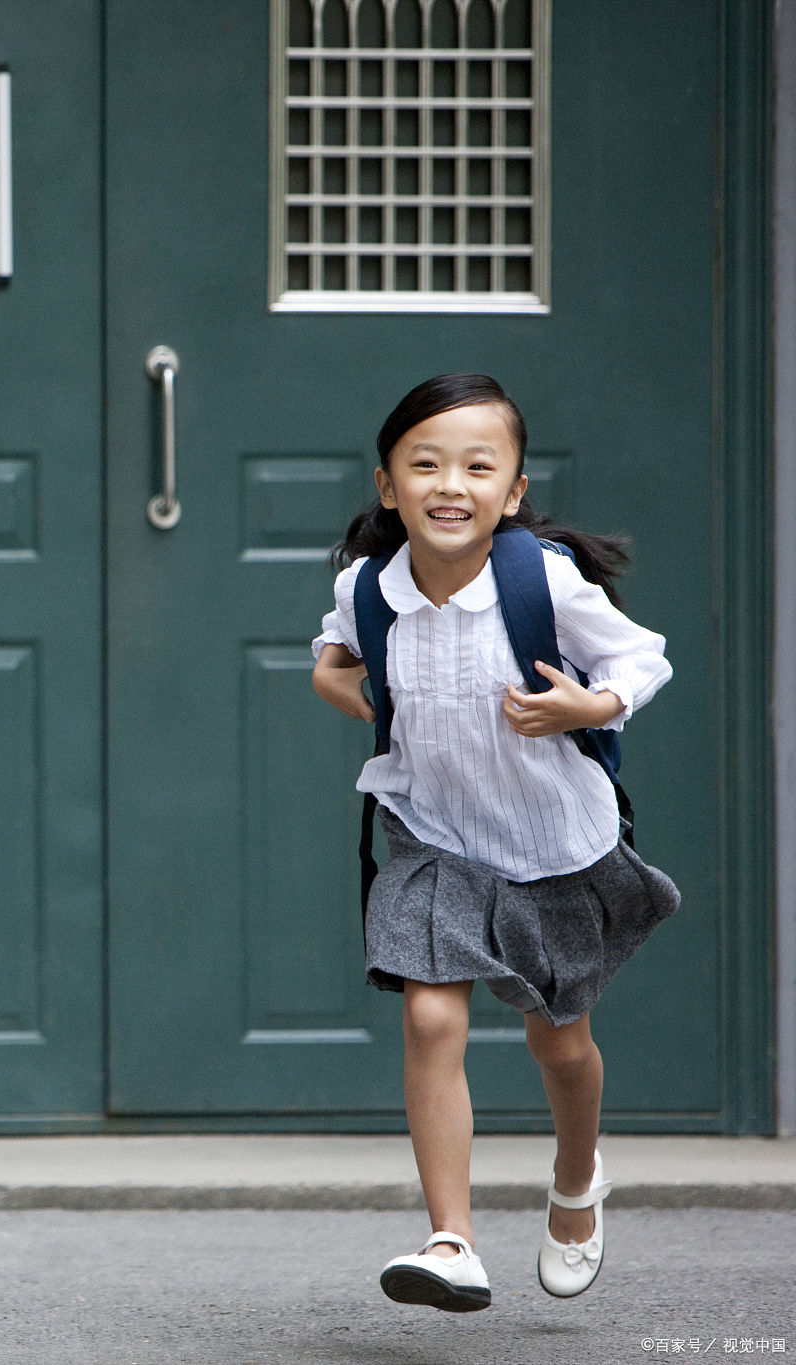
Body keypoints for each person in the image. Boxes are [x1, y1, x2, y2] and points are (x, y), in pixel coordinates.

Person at [310, 374, 677, 1313]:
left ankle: (578, 1177)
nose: (451, 482)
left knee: (559, 1045)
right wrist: (336, 681)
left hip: (554, 843)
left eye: (480, 466)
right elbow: (336, 650)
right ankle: (452, 1240)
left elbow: (643, 656)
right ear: (389, 485)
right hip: (432, 833)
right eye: (424, 462)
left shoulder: (540, 578)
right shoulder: (367, 587)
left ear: (512, 491)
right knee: (432, 1018)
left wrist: (585, 704)